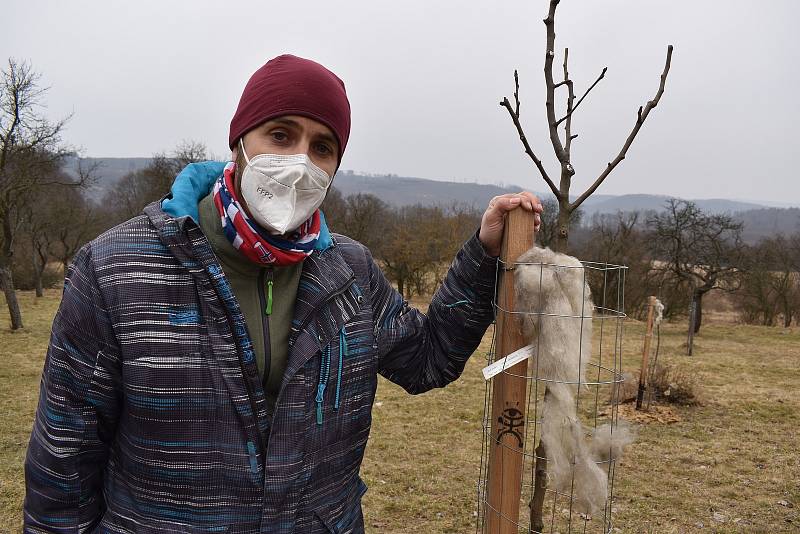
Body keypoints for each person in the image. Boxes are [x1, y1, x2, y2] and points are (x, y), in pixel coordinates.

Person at [24, 54, 542, 533]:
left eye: (322, 147)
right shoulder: (118, 268)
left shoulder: (348, 273)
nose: (299, 161)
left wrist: (483, 255)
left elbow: (429, 359)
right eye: (280, 134)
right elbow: (64, 456)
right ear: (239, 142)